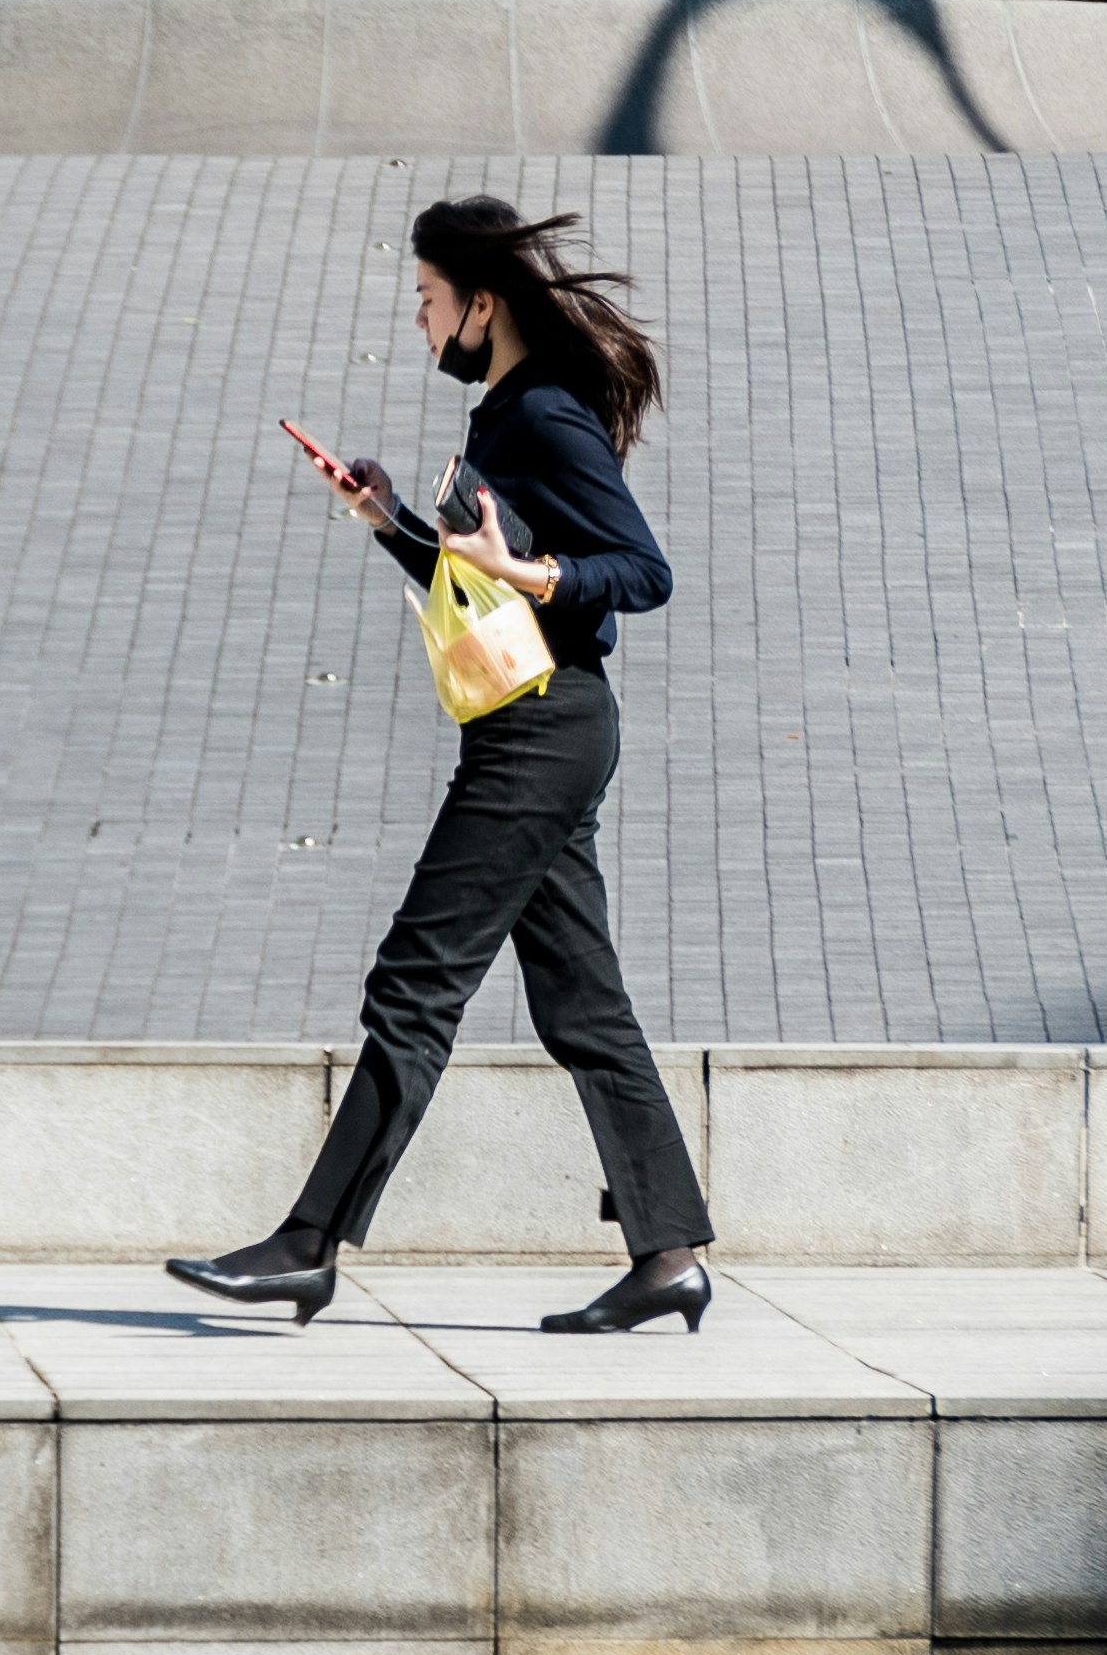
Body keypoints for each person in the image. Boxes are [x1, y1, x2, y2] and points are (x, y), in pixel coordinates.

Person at [167, 195, 715, 1337]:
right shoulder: (502, 410)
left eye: (427, 300)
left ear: (483, 301)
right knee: (581, 999)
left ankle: (309, 1244)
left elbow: (640, 571)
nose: (421, 323)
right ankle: (668, 1254)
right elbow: (478, 580)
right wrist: (390, 521)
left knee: (416, 979)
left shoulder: (546, 417)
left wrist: (537, 571)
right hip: (538, 717)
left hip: (540, 730)